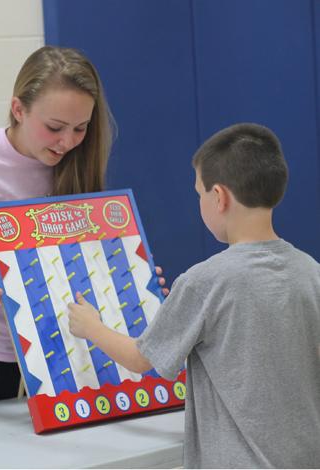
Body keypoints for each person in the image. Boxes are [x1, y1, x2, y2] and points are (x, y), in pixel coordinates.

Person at [0, 45, 167, 417]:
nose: (67, 142)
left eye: (81, 128)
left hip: (51, 361)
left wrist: (133, 280)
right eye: (54, 127)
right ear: (18, 109)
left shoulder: (77, 166)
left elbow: (82, 261)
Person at [68, 123, 320, 469]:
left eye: (199, 192)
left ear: (219, 197)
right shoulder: (311, 271)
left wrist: (90, 326)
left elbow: (141, 359)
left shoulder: (205, 281)